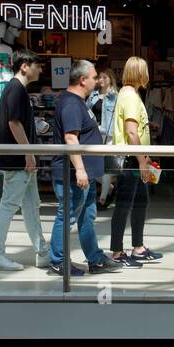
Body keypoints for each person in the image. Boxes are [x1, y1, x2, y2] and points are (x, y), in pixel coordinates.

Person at [48, 59, 120, 276]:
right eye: (94, 77)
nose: (97, 80)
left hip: (83, 175)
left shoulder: (77, 102)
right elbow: (71, 138)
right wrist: (79, 169)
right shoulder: (71, 103)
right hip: (73, 174)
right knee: (68, 215)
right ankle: (58, 261)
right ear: (82, 80)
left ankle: (95, 259)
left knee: (86, 215)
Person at [0, 50, 51, 271]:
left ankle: (42, 251)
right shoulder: (16, 89)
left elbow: (16, 122)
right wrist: (28, 153)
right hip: (18, 161)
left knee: (31, 205)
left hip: (19, 160)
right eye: (37, 65)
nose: (40, 69)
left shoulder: (14, 89)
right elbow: (14, 123)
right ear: (25, 66)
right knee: (10, 206)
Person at [108, 57, 162, 268]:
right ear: (141, 74)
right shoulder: (131, 96)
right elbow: (131, 131)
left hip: (135, 159)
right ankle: (117, 251)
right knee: (125, 205)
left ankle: (137, 247)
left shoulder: (127, 94)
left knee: (139, 202)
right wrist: (141, 160)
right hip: (131, 161)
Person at [89, 69, 118, 206]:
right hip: (95, 133)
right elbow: (86, 112)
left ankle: (102, 198)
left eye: (104, 77)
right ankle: (109, 188)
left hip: (109, 135)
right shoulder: (93, 95)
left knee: (105, 166)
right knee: (91, 165)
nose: (101, 80)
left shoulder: (115, 96)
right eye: (99, 77)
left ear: (110, 79)